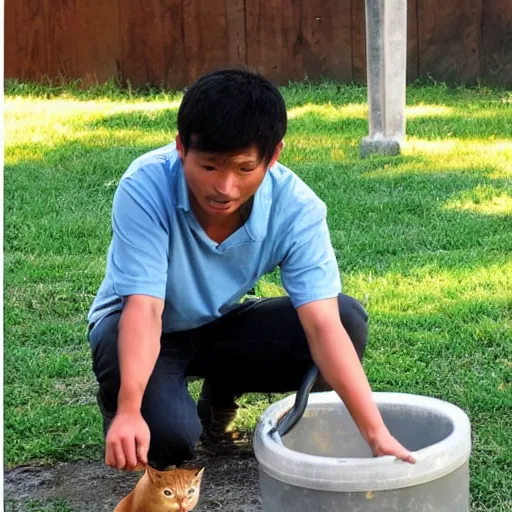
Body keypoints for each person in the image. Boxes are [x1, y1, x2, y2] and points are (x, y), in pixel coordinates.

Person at [87, 68, 415, 471]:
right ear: (180, 148)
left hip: (220, 321)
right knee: (169, 439)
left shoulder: (297, 207)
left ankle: (220, 394)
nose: (224, 187)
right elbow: (145, 308)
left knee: (346, 319)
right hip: (136, 325)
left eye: (244, 168)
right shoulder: (145, 186)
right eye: (209, 167)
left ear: (273, 156)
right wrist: (129, 409)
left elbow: (322, 327)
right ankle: (122, 394)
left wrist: (375, 433)